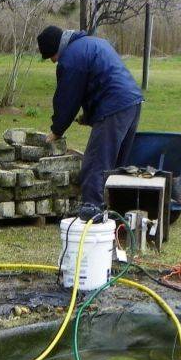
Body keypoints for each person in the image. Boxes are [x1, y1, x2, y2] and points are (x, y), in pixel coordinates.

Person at [36, 25, 143, 219]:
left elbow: (67, 98)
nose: (52, 61)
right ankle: (116, 210)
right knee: (117, 162)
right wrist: (89, 116)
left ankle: (92, 211)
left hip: (114, 106)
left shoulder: (70, 59)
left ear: (55, 49)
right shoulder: (92, 43)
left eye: (50, 57)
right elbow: (98, 81)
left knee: (95, 163)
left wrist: (57, 130)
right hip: (132, 103)